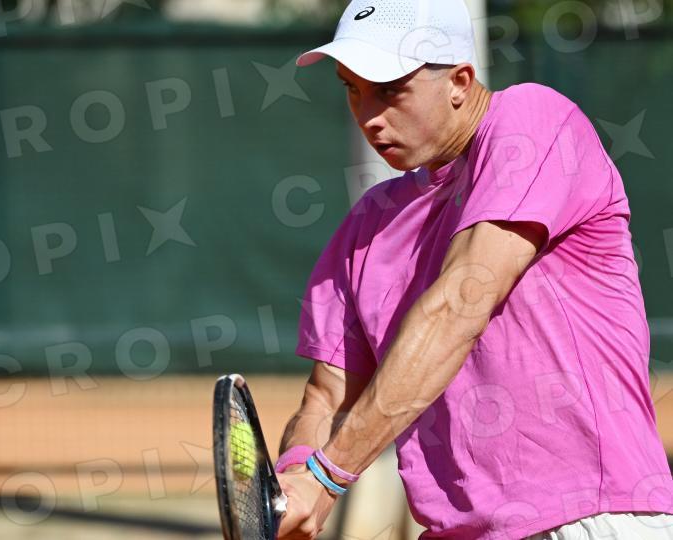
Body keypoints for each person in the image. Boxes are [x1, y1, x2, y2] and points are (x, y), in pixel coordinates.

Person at [274, 0, 673, 538]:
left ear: (460, 81)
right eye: (352, 89)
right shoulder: (367, 224)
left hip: (591, 516)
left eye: (389, 90)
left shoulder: (533, 120)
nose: (369, 115)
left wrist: (326, 478)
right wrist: (294, 479)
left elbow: (460, 304)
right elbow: (327, 398)